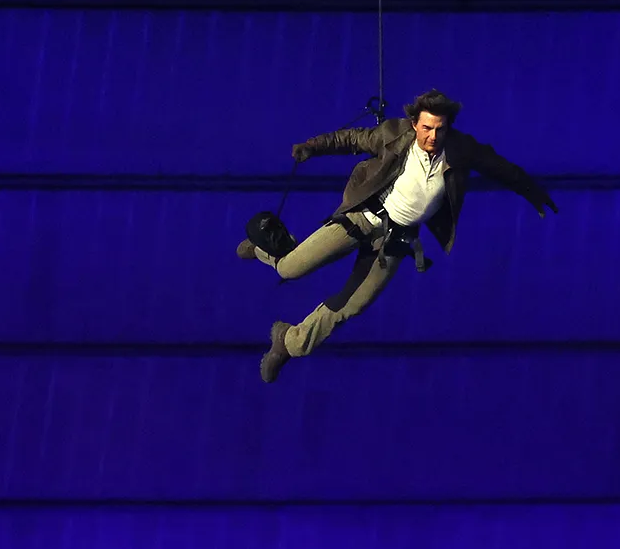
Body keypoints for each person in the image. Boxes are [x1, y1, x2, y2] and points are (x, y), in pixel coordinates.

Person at [237, 89, 559, 383]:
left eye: (440, 129)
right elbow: (351, 139)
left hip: (395, 240)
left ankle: (289, 342)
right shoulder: (394, 134)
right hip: (362, 218)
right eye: (427, 128)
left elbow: (499, 166)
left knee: (354, 304)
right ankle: (261, 250)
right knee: (290, 268)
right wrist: (312, 146)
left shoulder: (460, 149)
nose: (433, 136)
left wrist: (532, 192)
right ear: (415, 124)